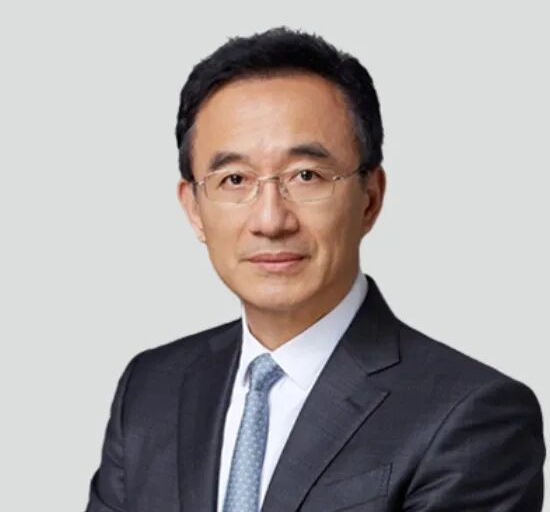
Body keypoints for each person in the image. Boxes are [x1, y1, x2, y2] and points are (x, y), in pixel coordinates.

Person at [85, 27, 545, 512]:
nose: (270, 221)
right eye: (234, 179)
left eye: (306, 176)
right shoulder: (151, 389)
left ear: (370, 198)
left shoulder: (473, 417)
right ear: (194, 209)